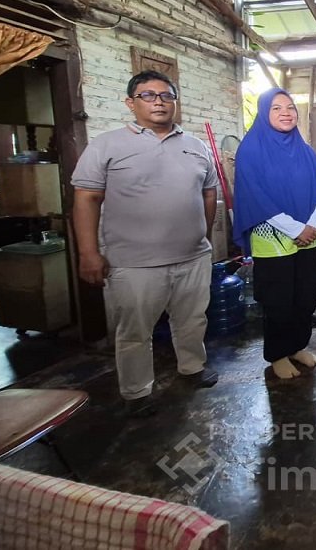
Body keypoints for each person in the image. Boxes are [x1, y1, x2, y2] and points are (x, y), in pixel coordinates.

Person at [72, 70, 219, 417]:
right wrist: (89, 253)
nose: (158, 102)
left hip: (192, 257)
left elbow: (209, 194)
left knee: (192, 320)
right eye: (148, 95)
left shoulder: (195, 146)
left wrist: (204, 236)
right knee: (135, 332)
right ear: (130, 103)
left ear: (174, 102)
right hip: (135, 263)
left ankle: (192, 369)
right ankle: (137, 392)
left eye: (166, 96)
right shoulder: (107, 145)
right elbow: (86, 200)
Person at [233, 88, 316, 380]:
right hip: (271, 237)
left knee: (305, 297)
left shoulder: (305, 150)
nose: (286, 112)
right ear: (264, 113)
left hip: (308, 237)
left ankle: (298, 346)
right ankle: (277, 354)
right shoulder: (250, 150)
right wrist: (297, 228)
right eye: (276, 108)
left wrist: (310, 226)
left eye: (290, 107)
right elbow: (257, 197)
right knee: (278, 300)